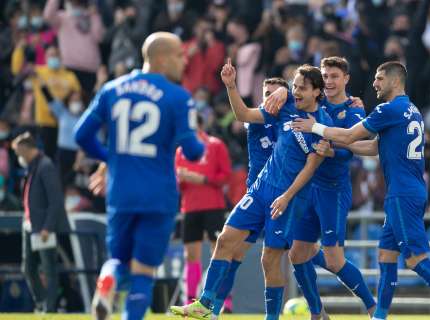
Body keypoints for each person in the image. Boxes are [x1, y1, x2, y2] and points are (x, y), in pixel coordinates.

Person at [291, 61, 430, 320]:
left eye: (379, 79)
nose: (374, 84)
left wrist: (316, 128)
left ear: (394, 80)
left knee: (414, 259)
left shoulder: (388, 109)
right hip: (407, 189)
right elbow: (372, 147)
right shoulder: (411, 110)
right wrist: (340, 143)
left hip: (402, 193)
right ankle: (379, 316)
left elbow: (348, 136)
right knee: (386, 256)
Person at [170, 61, 330, 320]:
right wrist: (231, 85)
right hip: (259, 189)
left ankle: (273, 317)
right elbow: (243, 114)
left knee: (269, 260)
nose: (296, 91)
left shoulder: (322, 124)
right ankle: (206, 304)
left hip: (288, 198)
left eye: (302, 88)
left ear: (317, 93)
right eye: (294, 86)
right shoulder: (285, 108)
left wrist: (287, 196)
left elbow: (311, 167)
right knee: (224, 241)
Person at [74, 32, 204, 320]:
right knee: (144, 269)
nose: (185, 62)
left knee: (119, 260)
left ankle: (107, 279)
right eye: (179, 56)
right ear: (160, 59)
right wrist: (201, 145)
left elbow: (81, 135)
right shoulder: (178, 96)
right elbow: (193, 151)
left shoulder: (112, 89)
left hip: (120, 192)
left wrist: (113, 157)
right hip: (158, 195)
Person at [265, 56, 376, 317]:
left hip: (333, 190)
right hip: (309, 187)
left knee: (335, 260)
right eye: (325, 76)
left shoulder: (354, 111)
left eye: (334, 76)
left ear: (346, 79)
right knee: (297, 253)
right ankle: (317, 313)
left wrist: (331, 152)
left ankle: (373, 308)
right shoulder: (317, 102)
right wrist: (282, 88)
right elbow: (294, 92)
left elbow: (351, 152)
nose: (328, 81)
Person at [175, 114, 231, 307]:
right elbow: (176, 183)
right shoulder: (180, 151)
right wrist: (181, 179)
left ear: (200, 126)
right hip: (190, 207)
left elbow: (226, 176)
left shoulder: (215, 145)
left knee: (219, 252)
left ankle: (224, 302)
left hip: (213, 206)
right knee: (190, 255)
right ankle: (190, 300)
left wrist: (203, 180)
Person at [12, 132, 70, 313]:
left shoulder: (45, 166)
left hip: (44, 228)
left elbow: (56, 201)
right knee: (28, 267)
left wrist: (47, 227)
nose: (18, 157)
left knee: (49, 269)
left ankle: (50, 309)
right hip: (30, 225)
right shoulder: (33, 167)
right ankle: (42, 301)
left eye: (19, 153)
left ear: (26, 149)